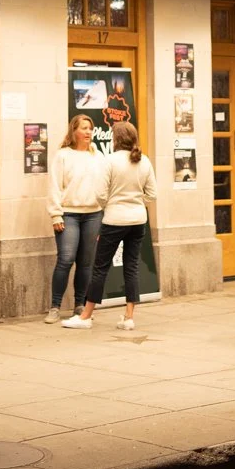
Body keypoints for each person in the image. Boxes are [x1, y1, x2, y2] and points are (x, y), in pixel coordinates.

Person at [63, 121, 156, 331]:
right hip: (138, 220)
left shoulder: (109, 161)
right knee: (131, 267)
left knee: (100, 268)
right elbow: (152, 194)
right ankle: (129, 317)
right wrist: (137, 202)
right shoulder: (144, 161)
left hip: (114, 220)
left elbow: (100, 194)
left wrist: (112, 204)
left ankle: (86, 316)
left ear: (116, 139)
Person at [45, 115, 107, 323]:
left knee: (86, 263)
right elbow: (54, 186)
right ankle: (54, 307)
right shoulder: (62, 156)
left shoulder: (97, 156)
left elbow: (104, 186)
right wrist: (56, 214)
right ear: (74, 132)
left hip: (93, 215)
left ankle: (80, 305)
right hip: (68, 214)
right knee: (65, 259)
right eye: (84, 128)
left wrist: (104, 213)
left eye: (91, 128)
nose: (89, 132)